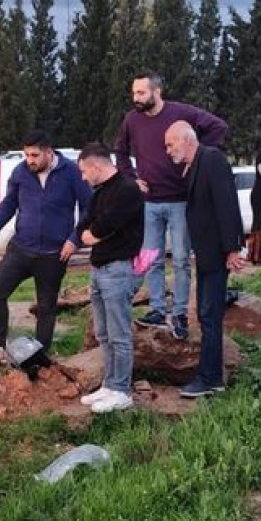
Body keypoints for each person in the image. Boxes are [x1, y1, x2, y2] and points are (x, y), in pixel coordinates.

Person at [113, 71, 229, 339]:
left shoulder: (181, 113)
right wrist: (131, 178)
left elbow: (219, 127)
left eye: (141, 93)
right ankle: (156, 309)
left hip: (179, 200)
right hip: (149, 203)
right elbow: (119, 150)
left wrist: (196, 157)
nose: (136, 98)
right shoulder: (132, 119)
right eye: (134, 93)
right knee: (151, 260)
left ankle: (179, 313)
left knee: (180, 260)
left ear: (157, 92)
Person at [0, 130, 92, 357]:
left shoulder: (72, 172)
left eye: (34, 155)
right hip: (20, 249)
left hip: (54, 254)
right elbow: (9, 204)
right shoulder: (21, 172)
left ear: (49, 152)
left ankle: (40, 356)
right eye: (26, 155)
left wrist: (75, 239)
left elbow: (89, 207)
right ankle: (0, 347)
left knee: (46, 307)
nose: (30, 160)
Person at [162, 122, 247, 399]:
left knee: (210, 315)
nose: (168, 150)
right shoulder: (196, 164)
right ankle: (209, 375)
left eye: (170, 144)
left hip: (218, 253)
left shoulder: (211, 159)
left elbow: (226, 203)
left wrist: (233, 248)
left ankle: (210, 378)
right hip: (208, 254)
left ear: (187, 140)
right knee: (206, 314)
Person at [75, 143, 146, 414]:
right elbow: (87, 225)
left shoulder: (127, 190)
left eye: (84, 171)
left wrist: (95, 232)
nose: (82, 177)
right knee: (103, 333)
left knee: (119, 334)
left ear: (96, 166)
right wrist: (92, 232)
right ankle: (109, 383)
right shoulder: (99, 192)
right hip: (98, 269)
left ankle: (122, 389)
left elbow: (105, 226)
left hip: (118, 270)